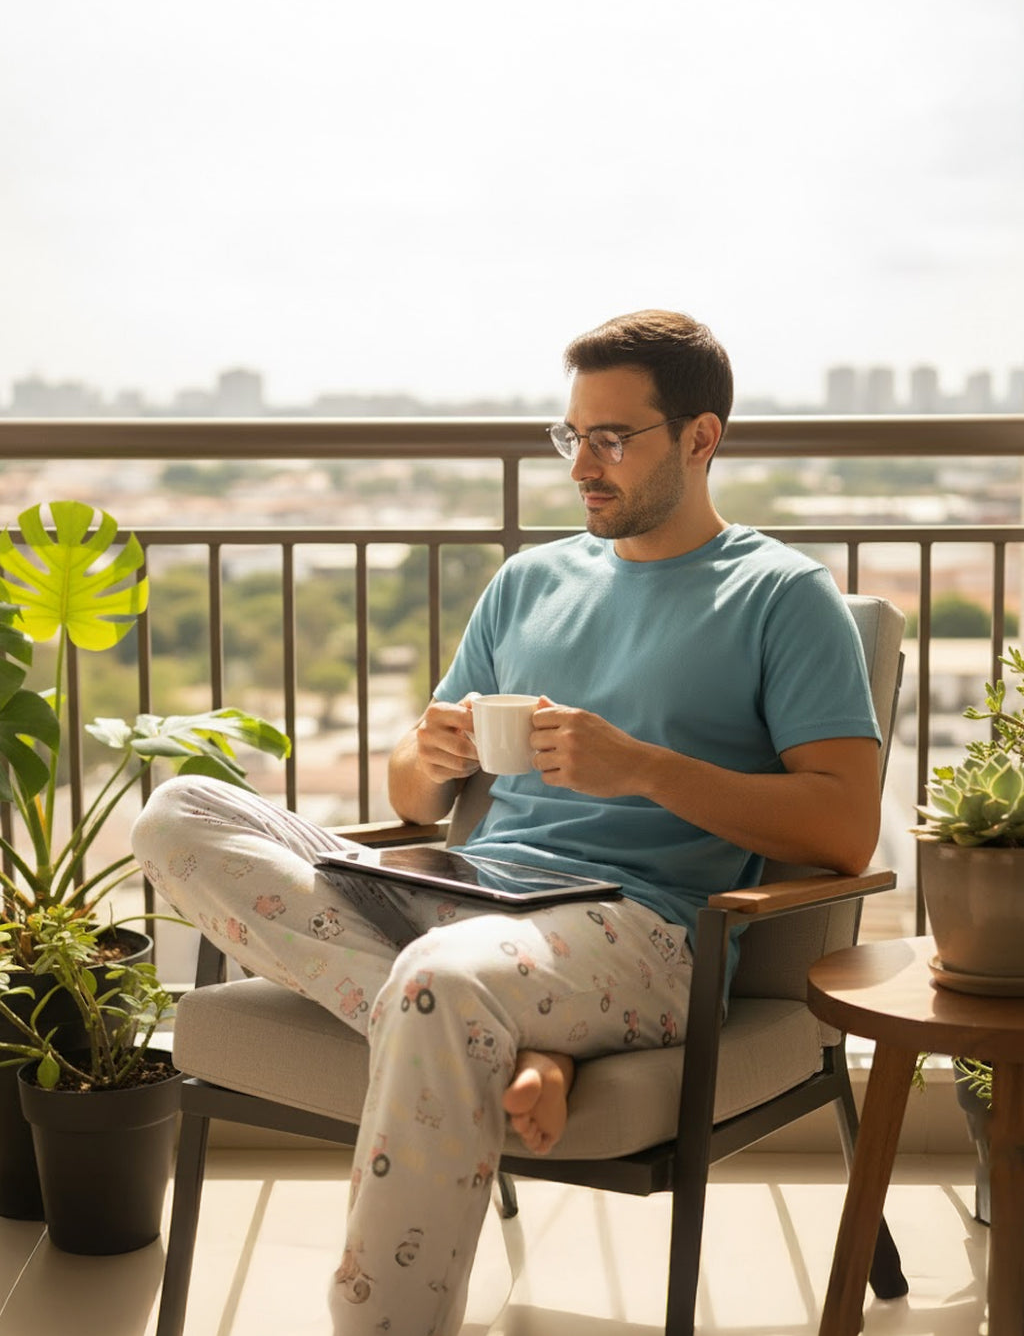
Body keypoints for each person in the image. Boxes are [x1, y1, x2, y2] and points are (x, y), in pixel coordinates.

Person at [131, 309, 881, 1336]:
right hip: (460, 893)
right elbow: (412, 801)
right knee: (179, 812)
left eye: (612, 438)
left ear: (700, 439)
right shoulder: (529, 580)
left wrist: (643, 768)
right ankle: (523, 1038)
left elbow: (844, 829)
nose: (582, 465)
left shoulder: (780, 597)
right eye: (570, 435)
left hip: (640, 927)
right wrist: (426, 756)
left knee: (444, 985)